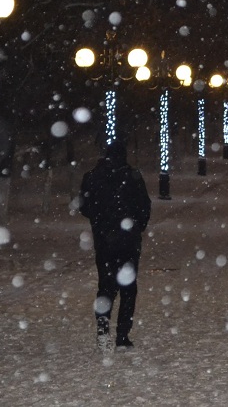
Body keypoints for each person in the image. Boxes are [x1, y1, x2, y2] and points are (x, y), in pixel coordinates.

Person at [80, 139, 152, 350]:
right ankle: (122, 336)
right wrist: (136, 225)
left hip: (104, 241)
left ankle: (103, 332)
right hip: (128, 242)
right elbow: (144, 206)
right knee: (128, 289)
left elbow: (84, 207)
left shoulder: (92, 177)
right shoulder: (132, 177)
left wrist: (100, 222)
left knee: (106, 287)